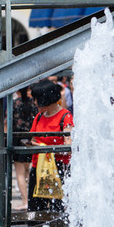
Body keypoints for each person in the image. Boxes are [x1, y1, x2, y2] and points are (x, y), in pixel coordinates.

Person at [27, 80, 73, 213]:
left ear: (45, 98)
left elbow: (68, 146)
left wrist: (45, 148)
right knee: (35, 209)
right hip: (38, 168)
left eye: (36, 99)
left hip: (58, 169)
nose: (35, 103)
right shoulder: (39, 117)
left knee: (58, 209)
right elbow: (33, 139)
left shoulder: (65, 117)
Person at [11, 86, 37, 209]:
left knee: (20, 173)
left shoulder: (14, 103)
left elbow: (8, 122)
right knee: (28, 171)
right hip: (31, 138)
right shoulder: (33, 102)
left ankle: (25, 201)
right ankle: (32, 201)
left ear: (17, 91)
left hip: (17, 138)